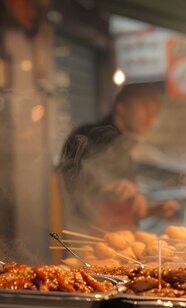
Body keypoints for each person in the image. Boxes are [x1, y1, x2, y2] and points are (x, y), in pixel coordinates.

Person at [58, 83, 177, 232]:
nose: (150, 118)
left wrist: (152, 210)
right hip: (89, 245)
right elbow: (68, 191)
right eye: (145, 108)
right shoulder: (86, 138)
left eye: (154, 113)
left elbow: (123, 213)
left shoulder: (126, 154)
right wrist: (105, 186)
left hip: (121, 243)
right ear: (121, 107)